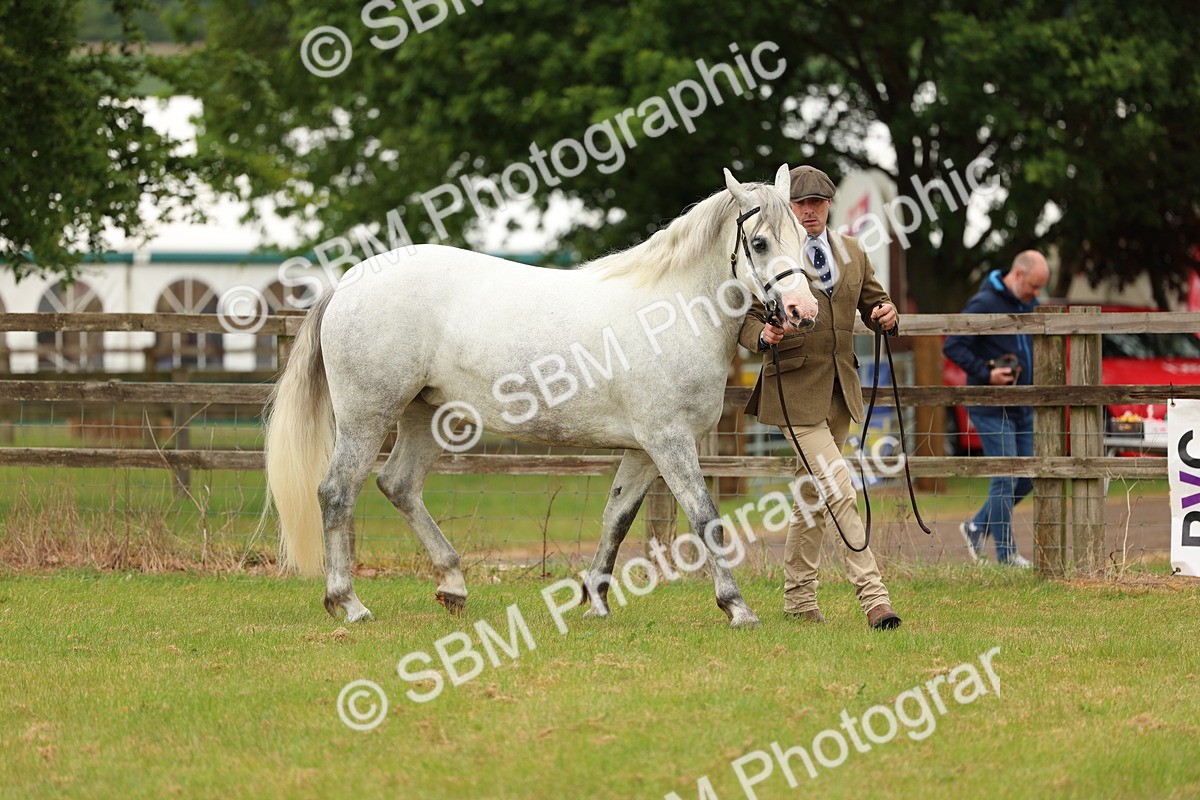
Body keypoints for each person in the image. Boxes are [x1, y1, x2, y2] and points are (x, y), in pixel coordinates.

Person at [738, 165, 902, 630]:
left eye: (817, 203)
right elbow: (745, 320)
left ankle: (798, 600)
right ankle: (874, 598)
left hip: (839, 391)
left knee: (812, 497)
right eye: (800, 203)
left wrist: (886, 315)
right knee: (839, 488)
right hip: (792, 390)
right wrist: (763, 335)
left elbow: (876, 304)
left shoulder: (852, 251)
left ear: (829, 205)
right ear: (789, 207)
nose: (809, 211)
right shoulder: (773, 253)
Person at [943, 251, 1050, 566]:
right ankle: (1006, 555)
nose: (1036, 294)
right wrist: (986, 372)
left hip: (1023, 404)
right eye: (1033, 286)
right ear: (1017, 275)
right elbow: (953, 345)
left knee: (1029, 475)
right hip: (990, 404)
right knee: (1004, 476)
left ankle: (977, 526)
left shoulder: (1027, 303)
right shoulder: (984, 303)